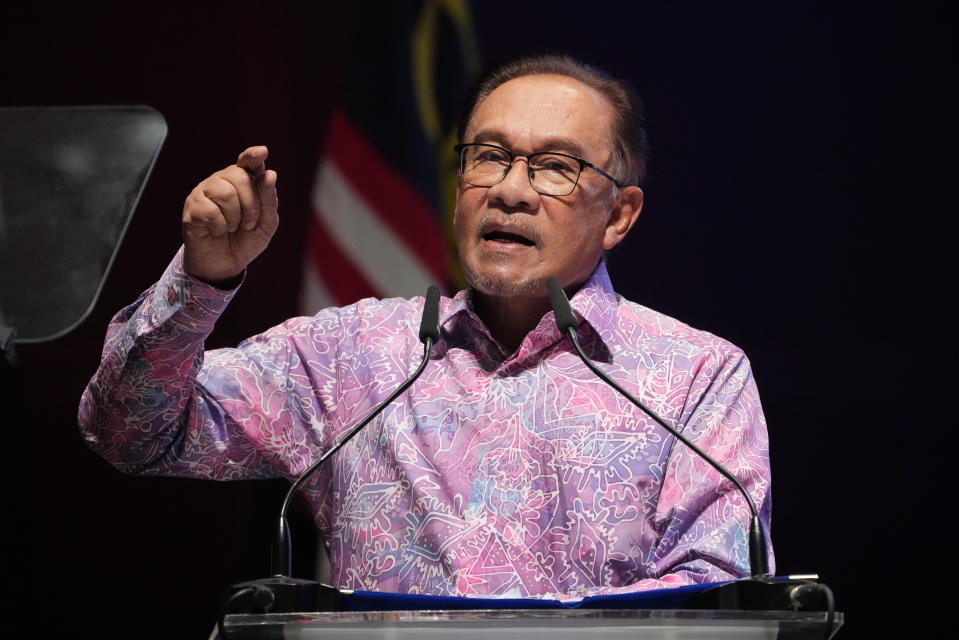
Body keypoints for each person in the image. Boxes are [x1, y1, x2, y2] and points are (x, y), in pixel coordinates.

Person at [78, 54, 774, 599]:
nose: (509, 189)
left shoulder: (693, 377)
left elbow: (718, 595)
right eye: (489, 156)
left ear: (618, 214)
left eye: (555, 167)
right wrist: (203, 284)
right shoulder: (347, 358)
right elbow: (133, 434)